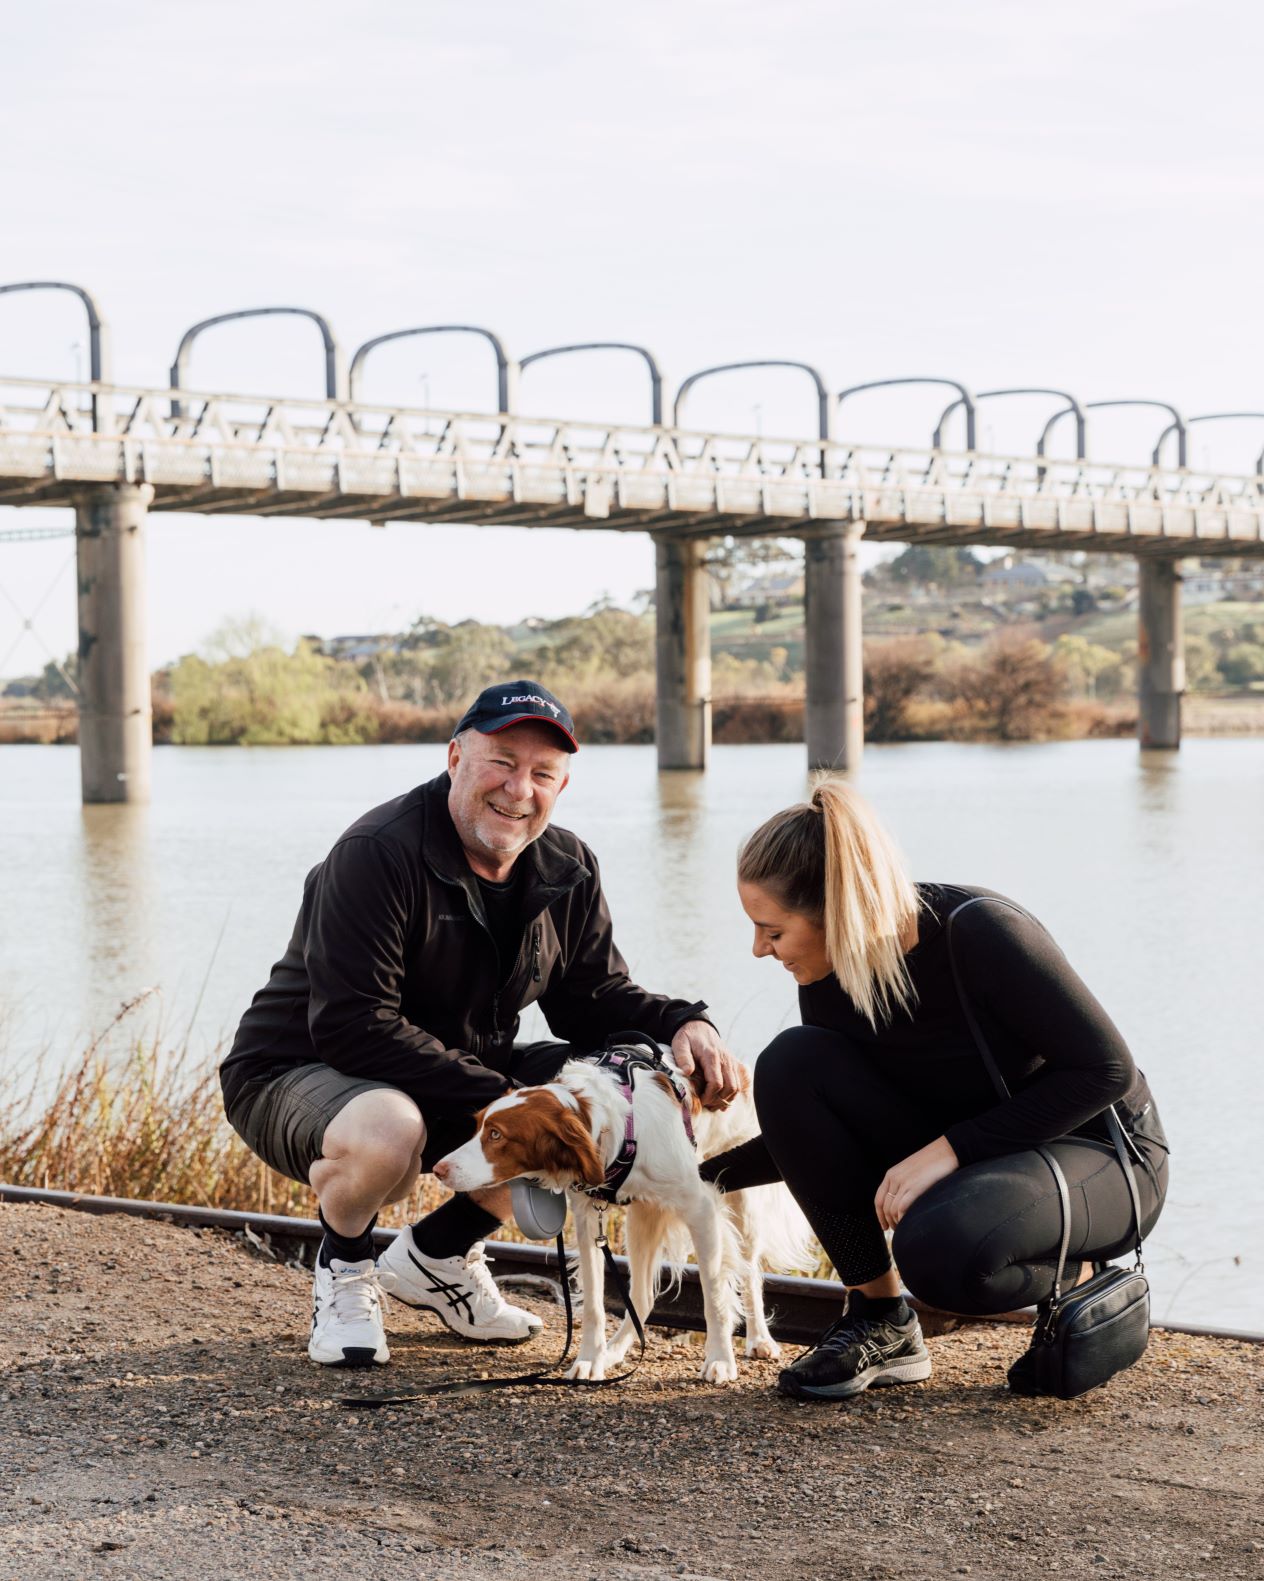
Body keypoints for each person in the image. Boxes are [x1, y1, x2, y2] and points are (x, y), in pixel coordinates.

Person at [220, 680, 741, 1368]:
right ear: (456, 756)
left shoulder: (567, 866)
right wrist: (504, 1100)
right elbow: (353, 1026)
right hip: (297, 1069)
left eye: (542, 773)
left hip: (445, 1073)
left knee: (581, 1105)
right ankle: (347, 1268)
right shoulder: (376, 853)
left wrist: (685, 1023)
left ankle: (434, 1258)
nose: (518, 787)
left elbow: (593, 999)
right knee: (392, 1127)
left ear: (560, 785)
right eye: (502, 761)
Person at [700, 778, 1169, 1400]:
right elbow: (814, 1129)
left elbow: (1105, 1071)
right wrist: (692, 1175)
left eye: (773, 930)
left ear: (835, 910)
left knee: (943, 1254)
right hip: (988, 1152)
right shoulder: (829, 971)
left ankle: (1071, 1264)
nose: (759, 949)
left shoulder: (980, 931)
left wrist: (947, 1151)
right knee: (791, 1062)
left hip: (1100, 1154)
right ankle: (880, 1320)